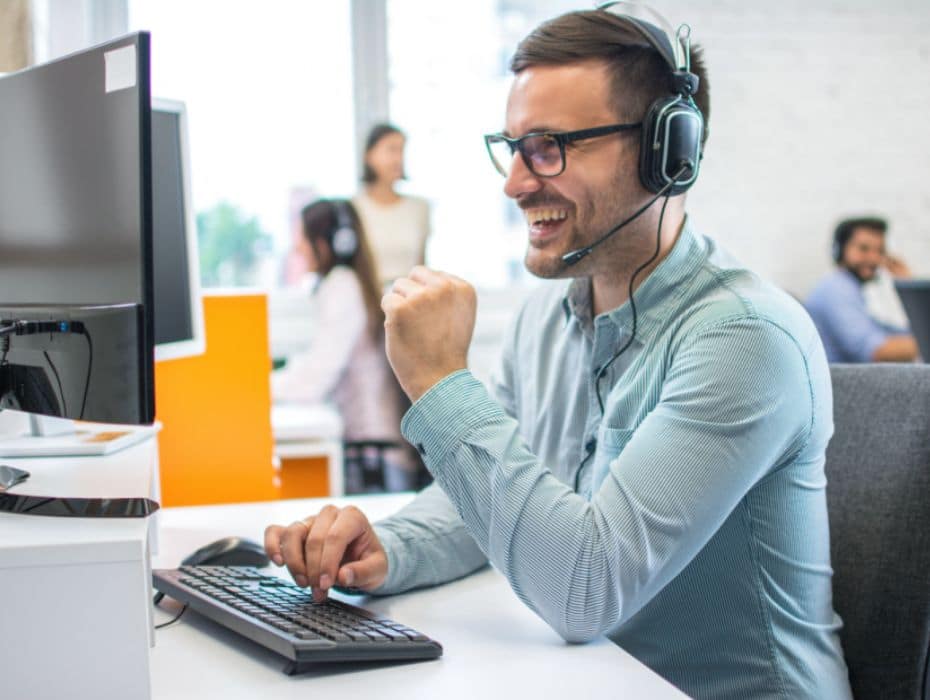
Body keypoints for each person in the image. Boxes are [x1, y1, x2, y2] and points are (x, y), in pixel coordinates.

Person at [265, 7, 852, 698]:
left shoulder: (746, 340)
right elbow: (487, 500)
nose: (515, 182)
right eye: (511, 148)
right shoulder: (547, 316)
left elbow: (585, 590)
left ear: (668, 151)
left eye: (547, 147)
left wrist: (440, 382)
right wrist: (392, 547)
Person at [271, 198, 416, 492]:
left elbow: (314, 382)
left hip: (375, 458)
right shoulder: (346, 285)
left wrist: (254, 389)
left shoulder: (342, 287)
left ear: (330, 243)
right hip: (373, 453)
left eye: (302, 237)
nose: (298, 247)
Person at [805, 217, 918, 363]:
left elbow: (892, 333)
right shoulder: (836, 289)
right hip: (841, 383)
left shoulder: (848, 288)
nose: (873, 258)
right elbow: (875, 352)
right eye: (864, 249)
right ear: (839, 250)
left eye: (880, 251)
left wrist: (909, 288)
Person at [353, 123, 431, 287]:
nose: (398, 159)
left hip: (409, 300)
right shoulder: (353, 208)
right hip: (368, 303)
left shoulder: (419, 208)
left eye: (402, 150)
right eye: (391, 150)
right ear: (369, 155)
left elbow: (422, 265)